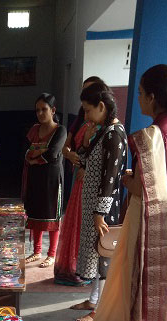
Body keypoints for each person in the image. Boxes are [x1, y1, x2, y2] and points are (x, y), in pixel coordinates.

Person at [90, 65, 167, 321]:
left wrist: (127, 180)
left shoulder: (154, 136)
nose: (138, 98)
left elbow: (143, 188)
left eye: (140, 93)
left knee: (137, 273)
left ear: (152, 97)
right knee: (163, 276)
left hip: (149, 218)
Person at [72, 82, 127, 321]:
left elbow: (110, 178)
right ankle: (93, 300)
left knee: (104, 255)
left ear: (101, 107)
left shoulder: (115, 135)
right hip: (95, 207)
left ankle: (100, 310)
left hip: (104, 209)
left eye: (88, 110)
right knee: (96, 254)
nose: (85, 116)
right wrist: (83, 145)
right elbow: (86, 160)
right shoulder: (103, 132)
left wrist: (100, 213)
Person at [53, 76, 107, 283]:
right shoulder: (81, 119)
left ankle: (85, 270)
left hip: (92, 181)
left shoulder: (107, 127)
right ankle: (70, 266)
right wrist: (71, 155)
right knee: (75, 219)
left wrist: (87, 165)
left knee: (87, 224)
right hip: (78, 176)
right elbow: (66, 147)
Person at [22, 93, 67, 266]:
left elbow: (53, 154)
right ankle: (37, 251)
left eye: (44, 109)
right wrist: (38, 152)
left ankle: (52, 254)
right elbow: (26, 151)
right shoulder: (34, 129)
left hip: (52, 179)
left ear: (53, 110)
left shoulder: (60, 130)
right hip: (35, 177)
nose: (40, 113)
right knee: (36, 213)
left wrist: (35, 155)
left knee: (52, 215)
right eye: (37, 110)